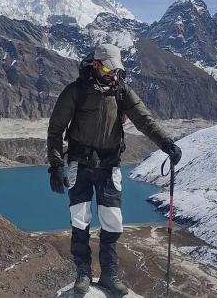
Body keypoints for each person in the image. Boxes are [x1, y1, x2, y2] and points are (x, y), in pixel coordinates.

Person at [46, 43, 182, 295]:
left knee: (113, 222)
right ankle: (83, 273)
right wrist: (55, 164)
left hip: (109, 166)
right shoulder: (76, 91)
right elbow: (56, 129)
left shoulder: (121, 91)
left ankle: (109, 274)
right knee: (80, 220)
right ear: (96, 64)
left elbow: (144, 119)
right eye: (107, 68)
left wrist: (166, 143)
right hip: (80, 164)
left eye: (115, 69)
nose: (112, 74)